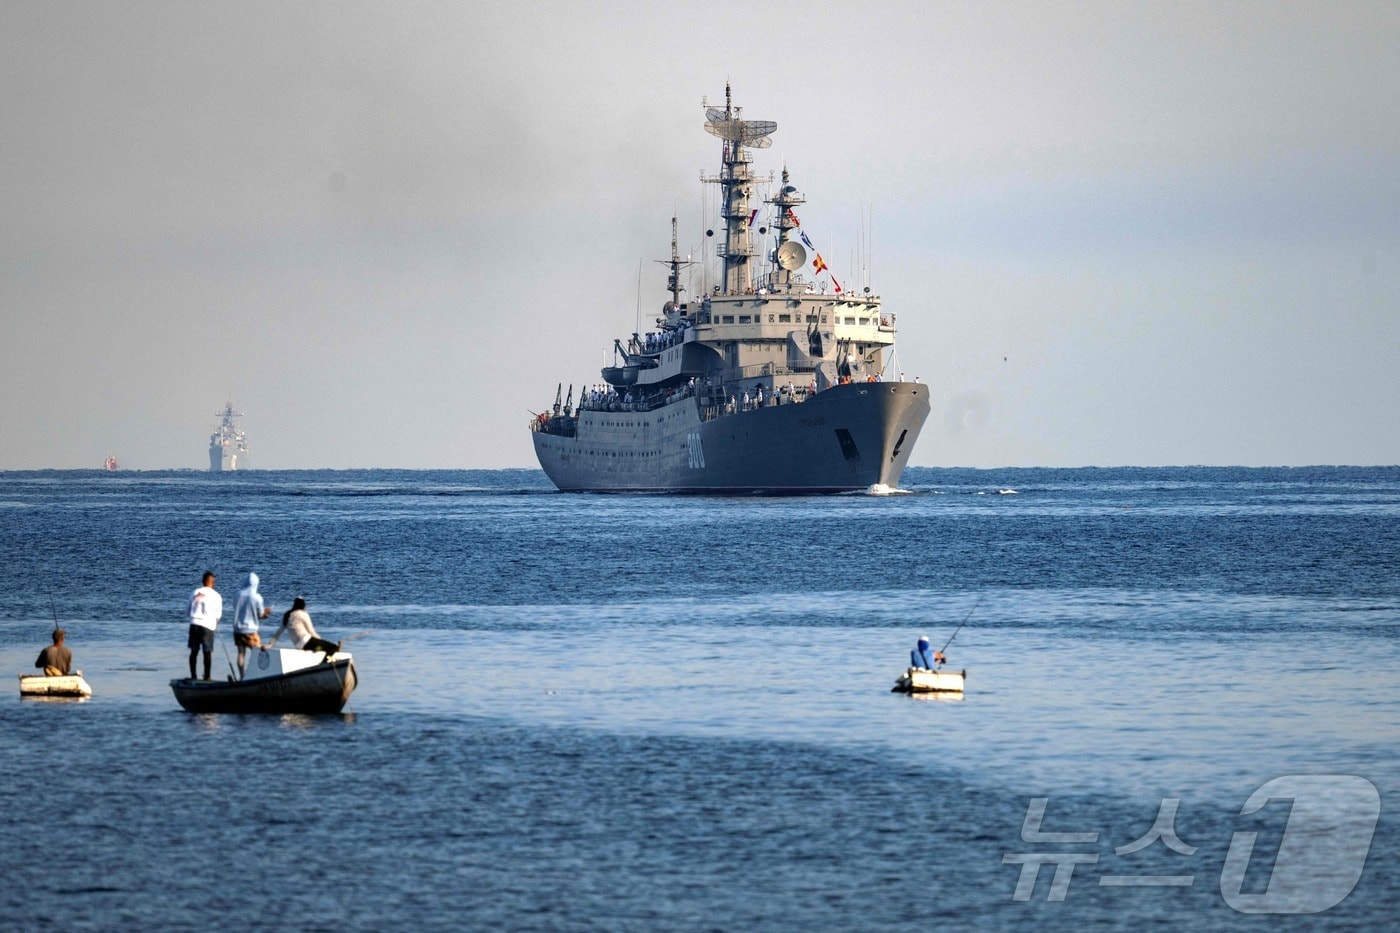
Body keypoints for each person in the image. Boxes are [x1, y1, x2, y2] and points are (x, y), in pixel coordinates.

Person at [266, 597, 340, 659]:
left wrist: (270, 644)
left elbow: (278, 632)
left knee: (320, 648)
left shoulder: (287, 615)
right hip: (308, 642)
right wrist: (321, 641)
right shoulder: (303, 614)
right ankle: (324, 664)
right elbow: (311, 632)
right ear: (303, 606)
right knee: (334, 647)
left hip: (299, 646)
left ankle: (320, 657)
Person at [232, 572, 272, 680]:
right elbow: (260, 615)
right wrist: (266, 613)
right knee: (258, 653)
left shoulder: (237, 595)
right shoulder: (257, 597)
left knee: (241, 653)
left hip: (238, 629)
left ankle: (242, 677)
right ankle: (256, 676)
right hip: (251, 630)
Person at [187, 571, 223, 681]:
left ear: (203, 581)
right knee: (207, 652)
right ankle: (207, 676)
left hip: (194, 624)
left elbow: (188, 610)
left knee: (194, 651)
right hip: (207, 626)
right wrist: (215, 621)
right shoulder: (216, 596)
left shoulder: (195, 592)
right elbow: (218, 615)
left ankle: (193, 676)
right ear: (213, 583)